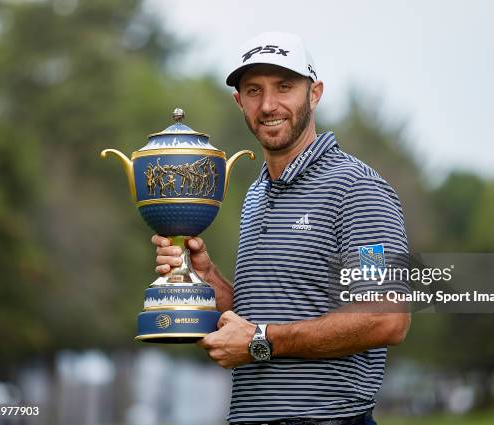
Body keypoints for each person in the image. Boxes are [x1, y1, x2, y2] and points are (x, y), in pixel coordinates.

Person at [152, 32, 411, 425]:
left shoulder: (356, 189)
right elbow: (261, 316)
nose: (268, 105)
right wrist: (206, 277)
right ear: (239, 101)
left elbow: (387, 318)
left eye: (284, 87)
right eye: (254, 90)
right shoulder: (257, 194)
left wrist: (262, 342)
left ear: (315, 93)